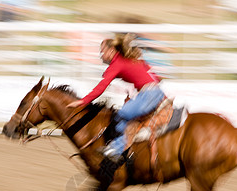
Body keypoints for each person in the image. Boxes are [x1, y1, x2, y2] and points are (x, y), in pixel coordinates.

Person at [67, 34, 165, 162]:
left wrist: (83, 101)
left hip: (149, 94)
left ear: (111, 51)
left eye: (102, 52)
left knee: (122, 114)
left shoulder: (117, 63)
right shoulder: (129, 59)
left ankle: (117, 149)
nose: (101, 55)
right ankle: (122, 147)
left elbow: (101, 87)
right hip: (154, 92)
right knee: (124, 116)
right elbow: (151, 76)